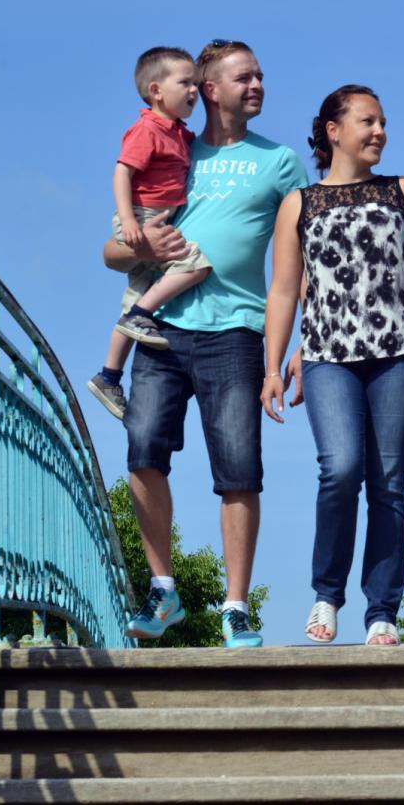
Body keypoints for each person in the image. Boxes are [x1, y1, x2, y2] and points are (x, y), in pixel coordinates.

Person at [103, 40, 308, 646]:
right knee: (142, 453)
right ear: (209, 89)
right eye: (245, 77)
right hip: (161, 330)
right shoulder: (169, 148)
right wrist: (145, 247)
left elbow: (303, 268)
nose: (259, 85)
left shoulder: (281, 163)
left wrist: (294, 348)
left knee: (240, 471)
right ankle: (163, 591)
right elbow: (111, 250)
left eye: (262, 76)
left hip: (238, 332)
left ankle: (235, 606)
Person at [261, 85, 404, 646]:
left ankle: (383, 610)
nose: (380, 131)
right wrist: (272, 366)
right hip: (327, 357)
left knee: (388, 481)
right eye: (368, 121)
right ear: (333, 130)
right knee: (340, 470)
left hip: (401, 354)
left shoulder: (403, 191)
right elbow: (285, 291)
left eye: (384, 121)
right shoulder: (300, 203)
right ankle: (326, 594)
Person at [88, 47, 212, 420]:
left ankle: (108, 376)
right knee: (196, 266)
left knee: (136, 296)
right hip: (143, 217)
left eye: (196, 83)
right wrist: (128, 221)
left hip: (154, 217)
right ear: (156, 90)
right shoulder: (148, 129)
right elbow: (122, 172)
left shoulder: (178, 133)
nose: (194, 91)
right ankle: (140, 315)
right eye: (185, 82)